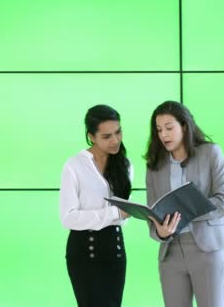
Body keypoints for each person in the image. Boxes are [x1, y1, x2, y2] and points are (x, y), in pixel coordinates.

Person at [144, 101, 224, 307]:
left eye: (169, 128)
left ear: (184, 126)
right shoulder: (154, 166)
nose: (164, 135)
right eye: (159, 130)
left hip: (207, 249)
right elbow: (152, 215)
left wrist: (187, 211)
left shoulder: (211, 153)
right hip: (170, 254)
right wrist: (160, 232)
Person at [60, 104, 133, 307]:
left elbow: (122, 218)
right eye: (106, 136)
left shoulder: (125, 166)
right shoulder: (74, 165)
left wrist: (126, 213)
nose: (115, 140)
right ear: (91, 136)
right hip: (84, 251)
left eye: (118, 132)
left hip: (115, 250)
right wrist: (114, 213)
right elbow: (68, 217)